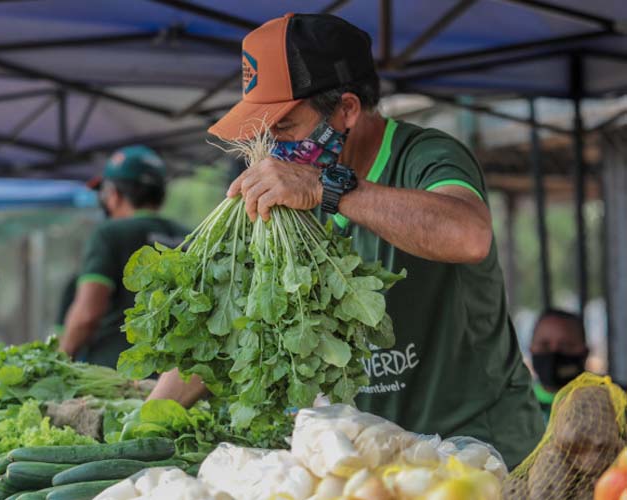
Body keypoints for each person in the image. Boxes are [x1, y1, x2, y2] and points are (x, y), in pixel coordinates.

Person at [146, 13, 544, 469]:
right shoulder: (291, 197)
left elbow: (468, 235)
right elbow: (230, 319)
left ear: (347, 109)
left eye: (285, 127)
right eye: (263, 130)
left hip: (483, 453)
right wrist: (148, 424)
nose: (271, 146)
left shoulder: (426, 155)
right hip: (378, 459)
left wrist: (329, 187)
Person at [59, 145, 187, 368]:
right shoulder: (190, 237)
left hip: (118, 377)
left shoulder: (109, 234)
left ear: (113, 194)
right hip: (177, 380)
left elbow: (87, 315)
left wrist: (58, 361)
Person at [529, 309, 588, 421]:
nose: (554, 352)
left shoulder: (614, 403)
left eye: (565, 346)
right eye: (544, 345)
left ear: (584, 353)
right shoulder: (515, 409)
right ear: (531, 349)